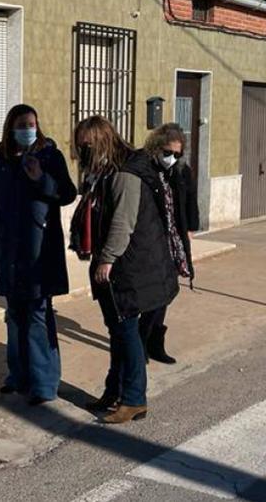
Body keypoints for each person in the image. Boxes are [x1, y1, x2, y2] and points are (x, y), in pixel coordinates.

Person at [81, 119, 180, 424]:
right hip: (137, 265)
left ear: (100, 143)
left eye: (86, 145)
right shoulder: (111, 171)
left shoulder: (124, 174)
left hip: (132, 268)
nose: (81, 151)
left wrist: (107, 259)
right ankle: (114, 391)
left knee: (126, 332)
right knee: (121, 332)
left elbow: (123, 223)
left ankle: (134, 399)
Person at [0, 104, 78, 405]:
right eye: (21, 124)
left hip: (39, 250)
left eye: (32, 123)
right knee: (14, 315)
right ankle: (18, 375)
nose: (27, 129)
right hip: (7, 249)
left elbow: (68, 193)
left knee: (37, 314)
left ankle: (44, 383)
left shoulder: (49, 155)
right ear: (11, 127)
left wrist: (40, 179)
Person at [136, 123, 199, 366]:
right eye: (167, 153)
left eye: (177, 154)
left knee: (166, 293)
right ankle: (141, 340)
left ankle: (154, 342)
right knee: (152, 292)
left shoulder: (181, 171)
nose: (172, 158)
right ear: (155, 148)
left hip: (174, 239)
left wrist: (191, 229)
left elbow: (190, 200)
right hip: (151, 239)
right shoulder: (144, 170)